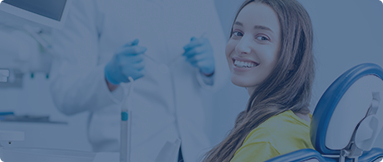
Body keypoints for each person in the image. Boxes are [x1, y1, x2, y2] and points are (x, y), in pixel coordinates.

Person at [49, 0, 228, 161]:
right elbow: (65, 91)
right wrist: (108, 76)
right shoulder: (87, 3)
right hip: (131, 150)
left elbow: (225, 66)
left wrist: (211, 67)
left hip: (192, 148)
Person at [203, 0, 315, 161]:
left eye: (262, 37)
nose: (241, 47)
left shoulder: (268, 140)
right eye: (238, 33)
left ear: (293, 58)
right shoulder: (298, 122)